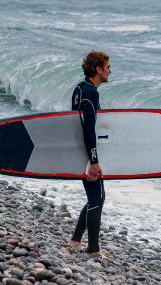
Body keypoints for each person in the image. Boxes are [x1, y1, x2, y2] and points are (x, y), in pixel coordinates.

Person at [68, 51, 111, 257]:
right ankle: (93, 249)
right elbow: (87, 128)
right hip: (86, 153)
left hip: (79, 151)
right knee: (97, 198)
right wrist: (93, 161)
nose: (110, 70)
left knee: (95, 197)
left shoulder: (80, 88)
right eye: (107, 67)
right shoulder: (91, 93)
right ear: (98, 69)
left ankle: (75, 240)